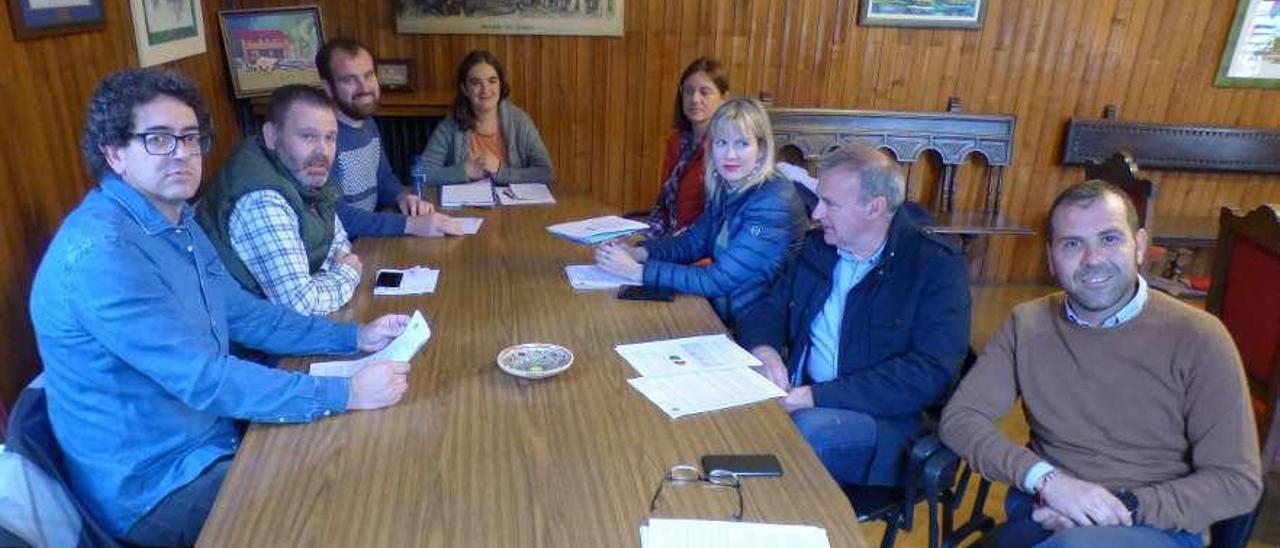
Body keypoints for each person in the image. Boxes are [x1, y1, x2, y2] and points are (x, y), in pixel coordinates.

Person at [28, 68, 413, 546]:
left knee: (372, 463)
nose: (183, 154)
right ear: (113, 152)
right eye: (158, 139)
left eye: (190, 138)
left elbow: (246, 314)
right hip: (156, 489)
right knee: (346, 505)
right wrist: (346, 393)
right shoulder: (103, 256)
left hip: (212, 438)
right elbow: (205, 378)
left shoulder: (177, 221)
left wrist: (355, 337)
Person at [940, 180, 1262, 547]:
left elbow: (1237, 482)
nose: (1092, 259)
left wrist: (1114, 509)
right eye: (1072, 244)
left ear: (1139, 245)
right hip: (1046, 514)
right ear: (1050, 257)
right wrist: (1049, 481)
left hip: (1154, 525)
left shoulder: (1200, 337)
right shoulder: (1027, 324)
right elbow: (960, 419)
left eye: (1109, 239)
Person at [736, 144, 970, 486]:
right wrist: (765, 349)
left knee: (800, 435)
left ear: (874, 207)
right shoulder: (819, 249)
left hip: (888, 424)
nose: (815, 214)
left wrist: (817, 397)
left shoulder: (933, 267)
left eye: (830, 204)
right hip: (803, 397)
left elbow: (928, 374)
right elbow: (765, 309)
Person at [594, 98, 807, 331]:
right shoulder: (728, 185)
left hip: (754, 329)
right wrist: (638, 252)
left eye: (742, 144)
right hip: (721, 312)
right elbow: (693, 243)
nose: (730, 155)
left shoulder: (773, 200)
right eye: (722, 142)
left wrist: (636, 271)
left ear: (762, 149)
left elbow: (718, 279)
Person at [197, 85, 359, 315]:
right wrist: (347, 274)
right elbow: (301, 306)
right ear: (271, 136)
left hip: (280, 330)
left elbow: (340, 244)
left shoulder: (305, 175)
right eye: (308, 136)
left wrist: (321, 280)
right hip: (249, 344)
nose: (322, 150)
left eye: (330, 138)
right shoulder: (261, 200)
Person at [316, 38, 460, 238]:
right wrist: (410, 225)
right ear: (328, 87)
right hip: (344, 252)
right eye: (349, 80)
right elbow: (336, 216)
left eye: (368, 76)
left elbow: (383, 179)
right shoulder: (321, 140)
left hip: (369, 241)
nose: (364, 88)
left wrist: (402, 196)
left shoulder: (368, 123)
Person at [419, 49, 554, 186]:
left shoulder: (519, 121)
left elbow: (545, 173)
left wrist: (500, 171)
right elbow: (422, 173)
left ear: (500, 85)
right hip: (466, 205)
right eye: (476, 83)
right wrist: (464, 171)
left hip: (513, 206)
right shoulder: (451, 124)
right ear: (465, 89)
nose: (485, 90)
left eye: (492, 81)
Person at [645, 57, 729, 236]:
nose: (695, 99)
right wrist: (643, 241)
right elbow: (664, 206)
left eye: (705, 92)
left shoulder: (725, 149)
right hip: (669, 238)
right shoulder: (677, 142)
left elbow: (715, 222)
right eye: (688, 91)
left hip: (697, 250)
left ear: (723, 99)